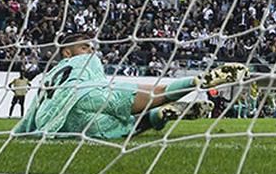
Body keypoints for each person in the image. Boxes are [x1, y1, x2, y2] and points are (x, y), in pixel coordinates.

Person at [13, 27, 248, 139]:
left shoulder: (48, 76)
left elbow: (33, 111)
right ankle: (196, 81)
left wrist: (22, 131)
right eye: (85, 47)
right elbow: (99, 82)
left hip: (64, 122)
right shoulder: (83, 62)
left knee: (121, 126)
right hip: (88, 94)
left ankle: (159, 115)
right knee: (146, 95)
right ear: (67, 53)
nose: (91, 51)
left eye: (91, 47)